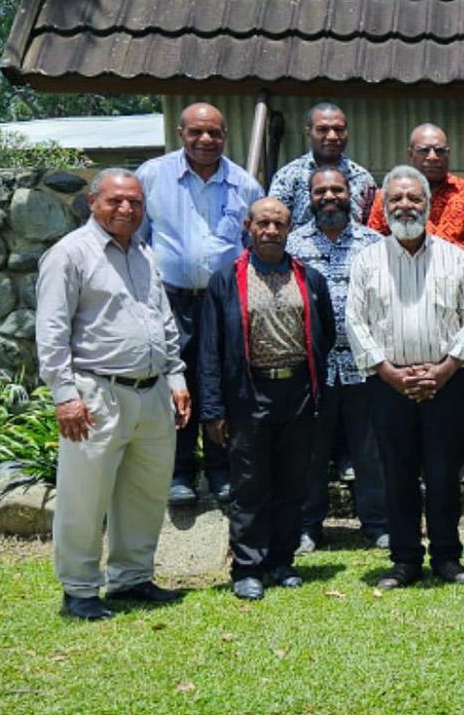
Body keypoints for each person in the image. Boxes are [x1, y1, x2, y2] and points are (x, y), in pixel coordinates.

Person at [36, 169, 192, 620]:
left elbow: (163, 322)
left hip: (152, 392)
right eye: (116, 201)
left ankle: (131, 578)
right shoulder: (70, 255)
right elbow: (50, 332)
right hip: (96, 393)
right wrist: (65, 395)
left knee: (144, 492)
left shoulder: (144, 252)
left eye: (135, 202)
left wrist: (176, 378)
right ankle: (80, 589)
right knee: (85, 497)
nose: (127, 209)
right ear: (92, 202)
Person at [347, 166, 464, 589]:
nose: (405, 205)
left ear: (428, 205)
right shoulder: (368, 260)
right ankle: (404, 559)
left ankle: (447, 557)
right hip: (389, 386)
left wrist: (443, 371)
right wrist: (390, 374)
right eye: (396, 200)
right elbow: (355, 323)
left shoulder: (454, 258)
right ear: (383, 207)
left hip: (446, 385)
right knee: (397, 473)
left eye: (414, 199)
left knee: (444, 473)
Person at [199, 199, 334, 600]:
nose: (271, 230)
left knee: (292, 482)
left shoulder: (310, 279)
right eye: (263, 223)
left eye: (279, 224)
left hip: (297, 393)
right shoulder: (226, 280)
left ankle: (282, 561)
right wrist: (213, 410)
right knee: (249, 485)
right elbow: (210, 350)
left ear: (290, 228)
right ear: (248, 226)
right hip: (248, 393)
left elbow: (323, 335)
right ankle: (247, 567)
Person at [134, 102, 263, 505]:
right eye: (196, 132)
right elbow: (137, 239)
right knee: (177, 382)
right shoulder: (153, 176)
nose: (206, 140)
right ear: (180, 133)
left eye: (214, 133)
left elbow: (251, 248)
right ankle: (181, 472)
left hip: (223, 299)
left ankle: (222, 470)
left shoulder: (245, 186)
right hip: (169, 298)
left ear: (226, 135)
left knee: (223, 382)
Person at [286, 168, 388, 552]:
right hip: (313, 368)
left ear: (352, 194)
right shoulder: (293, 244)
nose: (329, 197)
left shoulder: (374, 243)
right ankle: (308, 527)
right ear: (310, 197)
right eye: (320, 191)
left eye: (337, 190)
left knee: (370, 450)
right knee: (310, 452)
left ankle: (377, 524)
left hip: (365, 364)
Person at [366, 123, 464, 254]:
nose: (432, 157)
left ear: (448, 153)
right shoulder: (389, 196)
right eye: (424, 150)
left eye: (440, 151)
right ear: (410, 153)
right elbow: (375, 243)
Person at [267, 102, 376, 227]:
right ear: (309, 133)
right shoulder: (287, 176)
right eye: (323, 129)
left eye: (339, 129)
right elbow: (275, 222)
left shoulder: (363, 178)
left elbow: (370, 226)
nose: (332, 136)